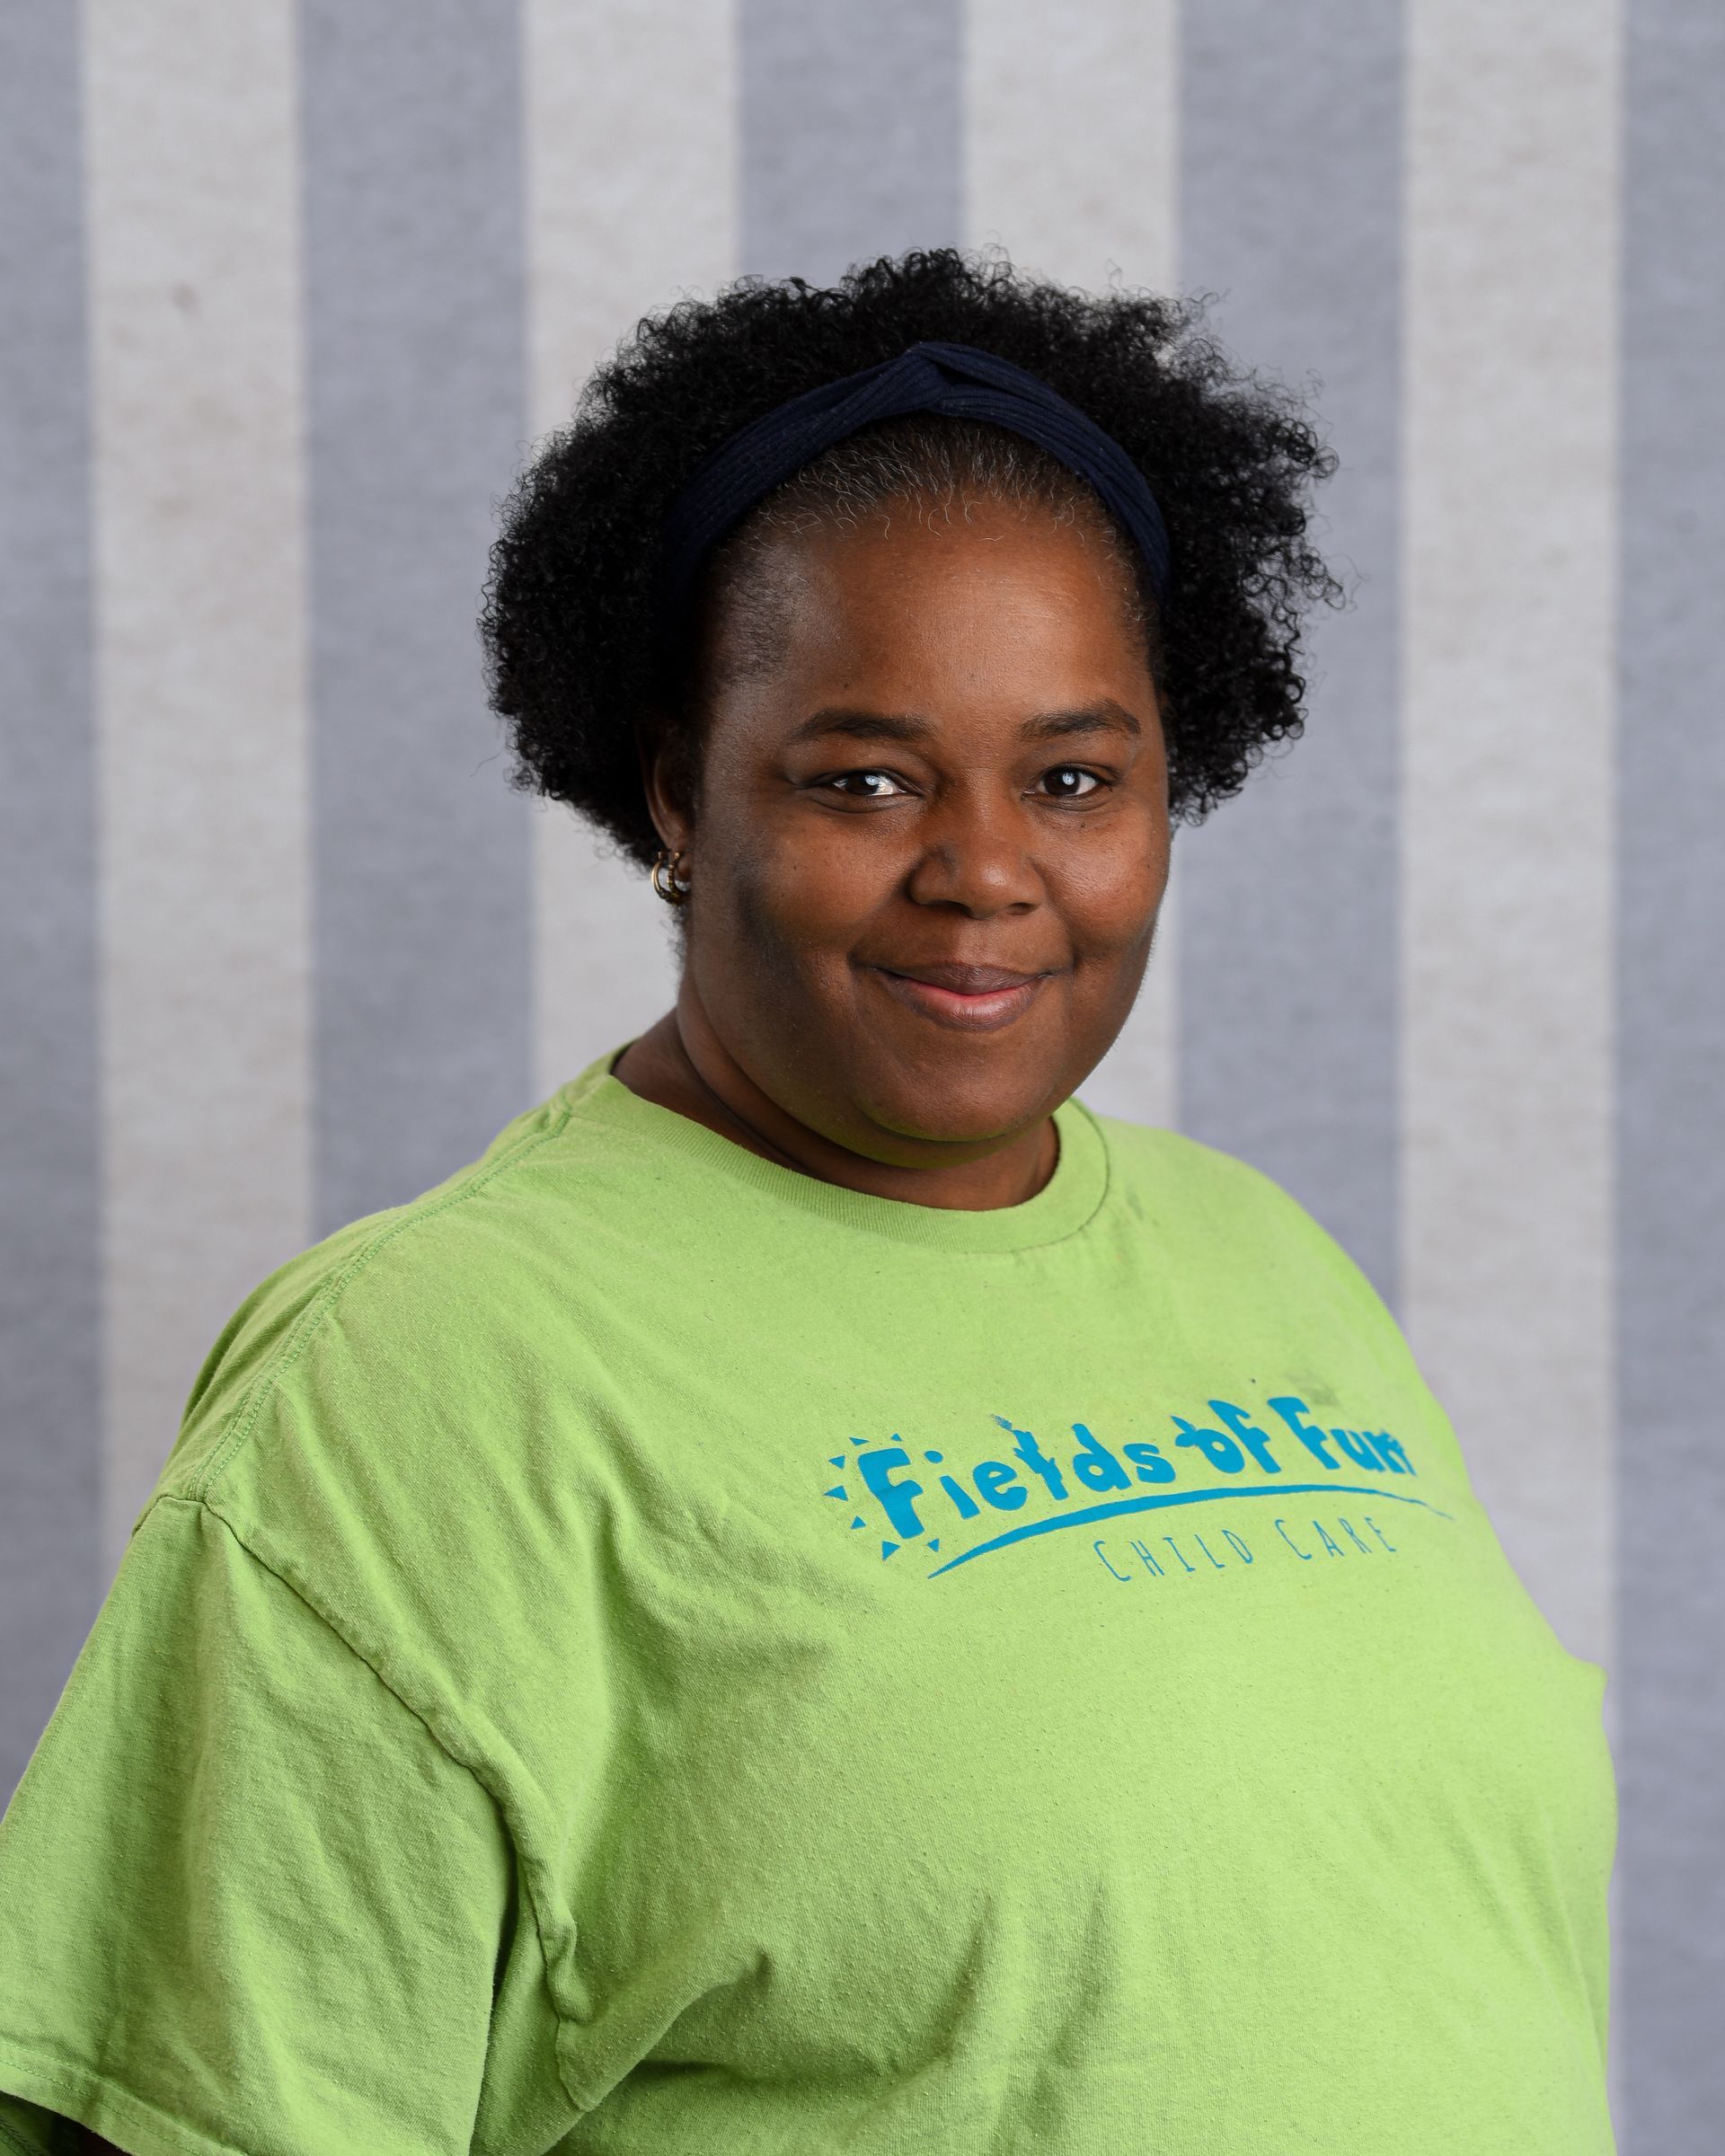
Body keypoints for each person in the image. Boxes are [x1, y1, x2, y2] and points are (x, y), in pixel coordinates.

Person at [0, 248, 1616, 2154]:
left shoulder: (1263, 1259)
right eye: (864, 780)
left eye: (1076, 776)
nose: (988, 874)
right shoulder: (419, 1384)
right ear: (682, 796)